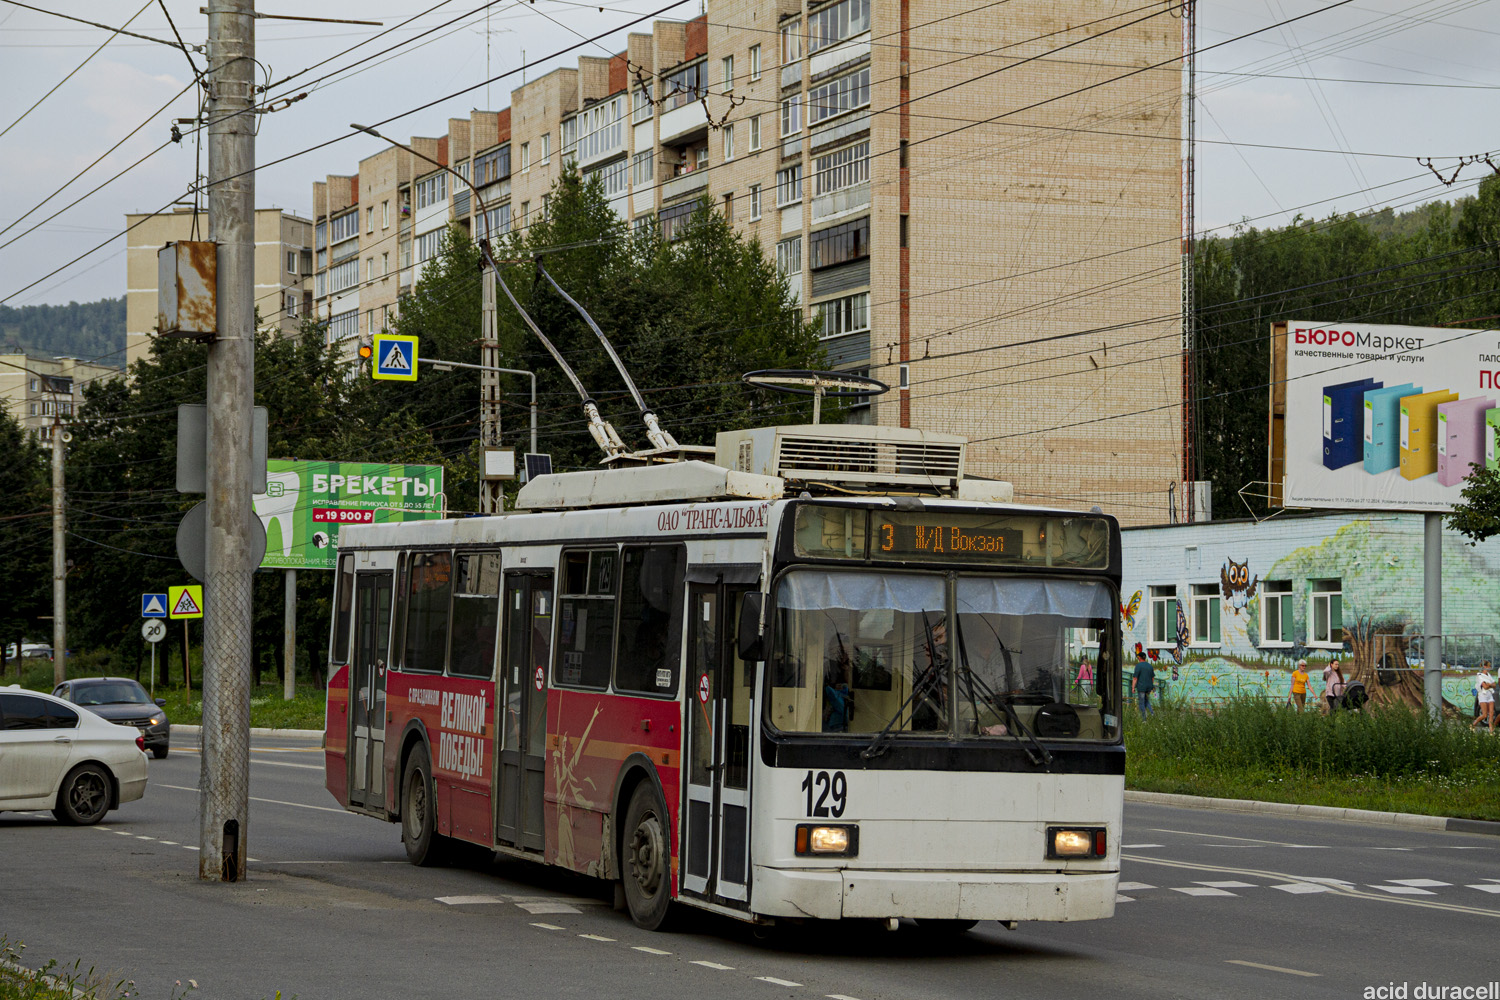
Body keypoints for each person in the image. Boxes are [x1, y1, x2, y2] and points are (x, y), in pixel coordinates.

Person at [1471, 662, 1495, 732]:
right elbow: (1485, 686)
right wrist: (1490, 685)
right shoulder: (1479, 676)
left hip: (1489, 695)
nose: (1490, 668)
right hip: (1483, 695)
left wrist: (1489, 684)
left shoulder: (1489, 675)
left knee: (1491, 713)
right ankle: (1474, 724)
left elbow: (1494, 685)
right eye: (1489, 666)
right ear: (1485, 666)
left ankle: (1491, 730)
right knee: (1484, 715)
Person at [1131, 649, 1155, 717]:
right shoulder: (1150, 666)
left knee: (1141, 702)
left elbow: (1135, 678)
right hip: (1149, 687)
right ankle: (1152, 713)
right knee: (1146, 701)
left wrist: (1133, 687)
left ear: (1139, 658)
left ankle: (1144, 718)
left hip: (1141, 687)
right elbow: (1152, 677)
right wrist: (1151, 685)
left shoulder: (1138, 666)